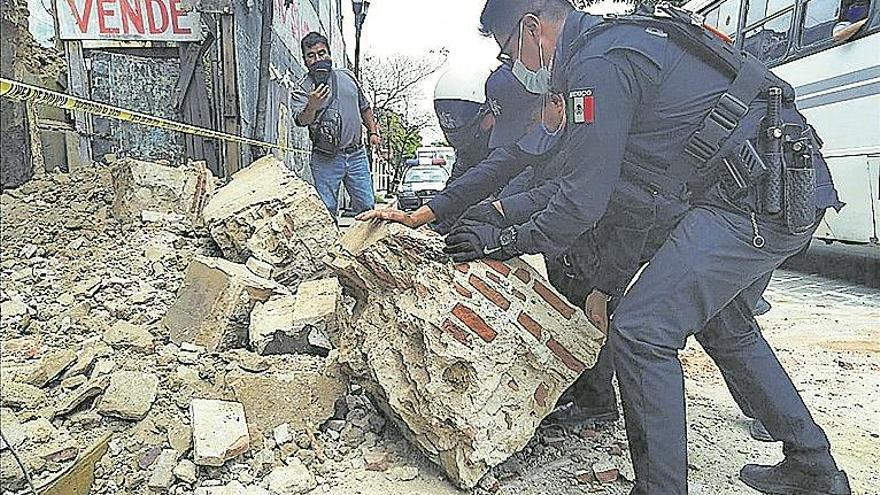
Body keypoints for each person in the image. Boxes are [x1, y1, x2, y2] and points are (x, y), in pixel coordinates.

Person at [362, 1, 851, 494]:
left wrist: (507, 239)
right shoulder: (597, 55)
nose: (516, 66)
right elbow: (538, 161)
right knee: (726, 326)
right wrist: (429, 212)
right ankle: (812, 466)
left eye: (510, 51)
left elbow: (581, 202)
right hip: (762, 189)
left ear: (532, 28)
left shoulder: (598, 65)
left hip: (757, 199)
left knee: (642, 332)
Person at [292, 32, 381, 218]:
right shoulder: (302, 88)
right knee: (326, 211)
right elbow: (301, 121)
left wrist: (373, 132)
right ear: (305, 60)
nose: (318, 59)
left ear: (329, 54)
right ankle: (331, 247)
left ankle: (366, 247)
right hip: (326, 158)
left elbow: (365, 107)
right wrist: (312, 106)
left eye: (322, 53)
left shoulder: (347, 76)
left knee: (367, 207)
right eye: (311, 55)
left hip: (356, 154)